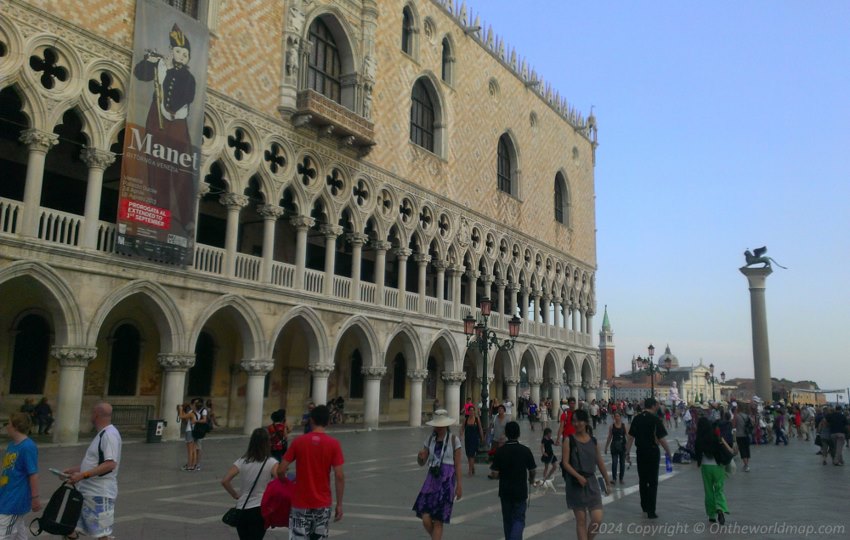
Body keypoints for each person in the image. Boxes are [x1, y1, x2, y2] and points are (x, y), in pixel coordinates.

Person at [130, 23, 198, 228]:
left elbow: (187, 96)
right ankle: (161, 214)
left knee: (182, 170)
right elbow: (140, 75)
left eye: (185, 54)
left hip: (177, 123)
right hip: (156, 119)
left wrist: (167, 73)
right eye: (178, 52)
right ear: (171, 51)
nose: (181, 56)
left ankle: (186, 218)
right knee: (156, 165)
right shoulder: (160, 65)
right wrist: (147, 61)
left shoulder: (188, 77)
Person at [278, 404, 344, 539]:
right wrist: (339, 504)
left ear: (311, 420)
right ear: (328, 422)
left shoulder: (298, 442)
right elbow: (339, 475)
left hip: (300, 503)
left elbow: (281, 469)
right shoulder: (334, 444)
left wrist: (284, 481)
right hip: (322, 503)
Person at [64, 402, 122, 540]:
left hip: (99, 493)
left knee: (101, 534)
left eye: (92, 413)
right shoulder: (102, 434)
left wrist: (82, 475)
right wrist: (74, 471)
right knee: (68, 526)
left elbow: (110, 464)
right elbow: (97, 463)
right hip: (87, 492)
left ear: (96, 415)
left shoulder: (109, 435)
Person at [561, 409, 612, 540]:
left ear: (586, 422)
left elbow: (599, 462)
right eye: (574, 421)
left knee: (597, 519)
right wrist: (578, 476)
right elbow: (565, 463)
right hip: (575, 484)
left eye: (579, 420)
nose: (576, 424)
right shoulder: (569, 440)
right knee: (581, 521)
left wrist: (607, 481)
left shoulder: (593, 441)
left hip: (591, 482)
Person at [413, 409, 463, 540]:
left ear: (446, 425)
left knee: (439, 520)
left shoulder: (454, 440)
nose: (439, 428)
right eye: (437, 426)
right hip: (431, 479)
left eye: (441, 426)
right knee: (425, 518)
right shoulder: (430, 440)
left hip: (447, 480)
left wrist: (459, 485)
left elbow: (457, 465)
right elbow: (421, 463)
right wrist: (420, 457)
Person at [221, 428, 278, 540]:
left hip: (242, 508)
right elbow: (281, 481)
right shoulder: (271, 462)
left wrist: (235, 495)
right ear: (267, 442)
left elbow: (225, 480)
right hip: (260, 508)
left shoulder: (242, 461)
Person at [625, 398, 671, 519]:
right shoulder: (655, 419)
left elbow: (630, 437)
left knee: (643, 480)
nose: (658, 407)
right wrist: (668, 452)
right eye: (657, 405)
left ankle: (644, 506)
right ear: (654, 406)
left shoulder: (637, 418)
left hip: (640, 452)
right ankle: (651, 510)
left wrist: (627, 452)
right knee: (653, 481)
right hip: (652, 451)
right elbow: (661, 439)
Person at [490, 421, 536, 540]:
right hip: (520, 490)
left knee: (507, 520)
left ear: (506, 433)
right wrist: (531, 479)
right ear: (518, 434)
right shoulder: (525, 450)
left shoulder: (500, 451)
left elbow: (494, 473)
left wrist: (498, 475)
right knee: (519, 519)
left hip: (505, 491)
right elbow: (532, 470)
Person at [0, 412, 41, 539]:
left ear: (16, 427)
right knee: (19, 533)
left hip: (14, 499)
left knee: (3, 534)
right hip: (7, 494)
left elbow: (33, 474)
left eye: (9, 424)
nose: (7, 426)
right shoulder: (12, 445)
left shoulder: (28, 447)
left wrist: (35, 497)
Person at [694, 417, 733, 524]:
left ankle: (711, 515)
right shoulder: (715, 435)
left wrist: (698, 462)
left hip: (706, 467)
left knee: (708, 491)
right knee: (719, 489)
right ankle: (720, 509)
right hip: (718, 465)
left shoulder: (699, 438)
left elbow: (697, 453)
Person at [460, 405, 483, 476]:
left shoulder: (477, 419)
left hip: (474, 439)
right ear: (468, 411)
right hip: (467, 439)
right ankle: (472, 467)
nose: (471, 412)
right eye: (470, 410)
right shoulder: (465, 419)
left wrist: (482, 437)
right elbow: (462, 428)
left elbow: (480, 428)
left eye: (473, 410)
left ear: (474, 411)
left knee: (472, 454)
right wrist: (460, 435)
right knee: (468, 454)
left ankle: (470, 470)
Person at [604, 412, 627, 484]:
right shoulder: (611, 426)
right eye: (615, 416)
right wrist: (606, 446)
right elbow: (609, 436)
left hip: (623, 446)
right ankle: (614, 478)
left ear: (620, 417)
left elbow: (627, 436)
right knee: (614, 462)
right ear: (614, 417)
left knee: (622, 463)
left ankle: (621, 478)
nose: (617, 417)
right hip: (614, 445)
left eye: (618, 416)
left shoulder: (623, 426)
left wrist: (628, 447)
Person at [732, 406, 752, 472]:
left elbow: (733, 425)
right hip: (747, 435)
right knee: (747, 449)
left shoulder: (736, 416)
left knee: (742, 450)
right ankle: (746, 464)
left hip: (740, 435)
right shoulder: (746, 415)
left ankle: (746, 466)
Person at [177, 401, 197, 470]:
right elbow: (185, 418)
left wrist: (180, 409)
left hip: (190, 432)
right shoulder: (195, 413)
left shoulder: (191, 414)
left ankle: (189, 466)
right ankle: (193, 465)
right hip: (195, 432)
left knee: (190, 451)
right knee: (194, 450)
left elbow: (181, 417)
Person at [192, 398, 209, 470]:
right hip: (194, 430)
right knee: (194, 448)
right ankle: (193, 462)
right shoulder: (195, 410)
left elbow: (204, 420)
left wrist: (196, 421)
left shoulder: (203, 410)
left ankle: (197, 464)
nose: (196, 404)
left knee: (198, 448)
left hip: (199, 430)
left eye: (197, 403)